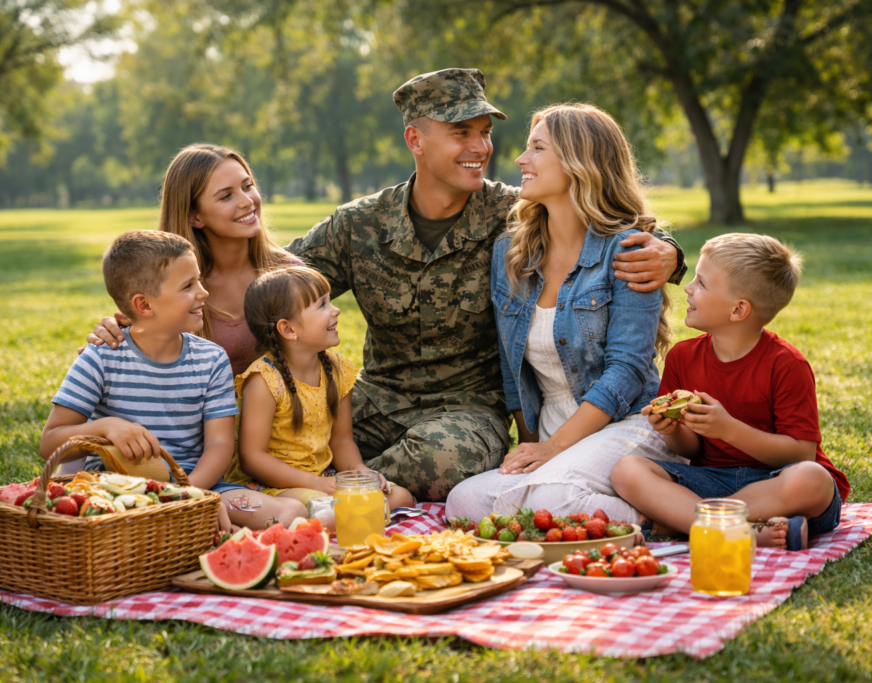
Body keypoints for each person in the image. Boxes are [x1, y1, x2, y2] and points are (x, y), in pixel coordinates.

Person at [90, 68, 686, 501]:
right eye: (461, 132)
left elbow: (598, 225)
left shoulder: (516, 216)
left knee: (449, 458)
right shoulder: (361, 224)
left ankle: (327, 492)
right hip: (374, 402)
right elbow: (272, 287)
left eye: (485, 131)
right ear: (416, 140)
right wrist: (137, 322)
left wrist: (670, 255)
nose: (481, 147)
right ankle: (325, 487)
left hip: (465, 410)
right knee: (275, 428)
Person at [445, 103, 688, 523]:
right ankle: (635, 509)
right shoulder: (511, 251)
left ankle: (666, 510)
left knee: (546, 500)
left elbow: (627, 371)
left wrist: (553, 450)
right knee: (464, 502)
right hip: (554, 430)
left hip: (624, 423)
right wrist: (532, 445)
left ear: (580, 163)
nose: (521, 160)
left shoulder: (630, 250)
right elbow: (512, 368)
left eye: (537, 148)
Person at [610, 233, 850, 550]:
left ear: (738, 310)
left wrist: (728, 429)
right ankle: (746, 531)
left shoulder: (787, 364)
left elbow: (801, 453)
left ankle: (699, 523)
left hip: (776, 484)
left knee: (812, 479)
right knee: (628, 470)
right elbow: (693, 450)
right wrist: (671, 430)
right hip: (714, 480)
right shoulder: (683, 356)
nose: (688, 288)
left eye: (702, 283)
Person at [39, 230, 249, 530]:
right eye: (188, 286)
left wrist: (186, 494)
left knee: (285, 512)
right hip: (116, 492)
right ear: (145, 306)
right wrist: (106, 427)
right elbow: (50, 443)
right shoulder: (100, 358)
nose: (203, 292)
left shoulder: (212, 359)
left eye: (198, 280)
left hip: (198, 484)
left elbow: (219, 444)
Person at [228, 266, 414, 512]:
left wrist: (359, 472)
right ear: (289, 329)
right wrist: (315, 483)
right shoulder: (264, 381)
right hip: (278, 485)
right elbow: (253, 459)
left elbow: (342, 441)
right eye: (322, 305)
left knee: (400, 497)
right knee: (325, 508)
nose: (336, 310)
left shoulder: (336, 370)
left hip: (324, 478)